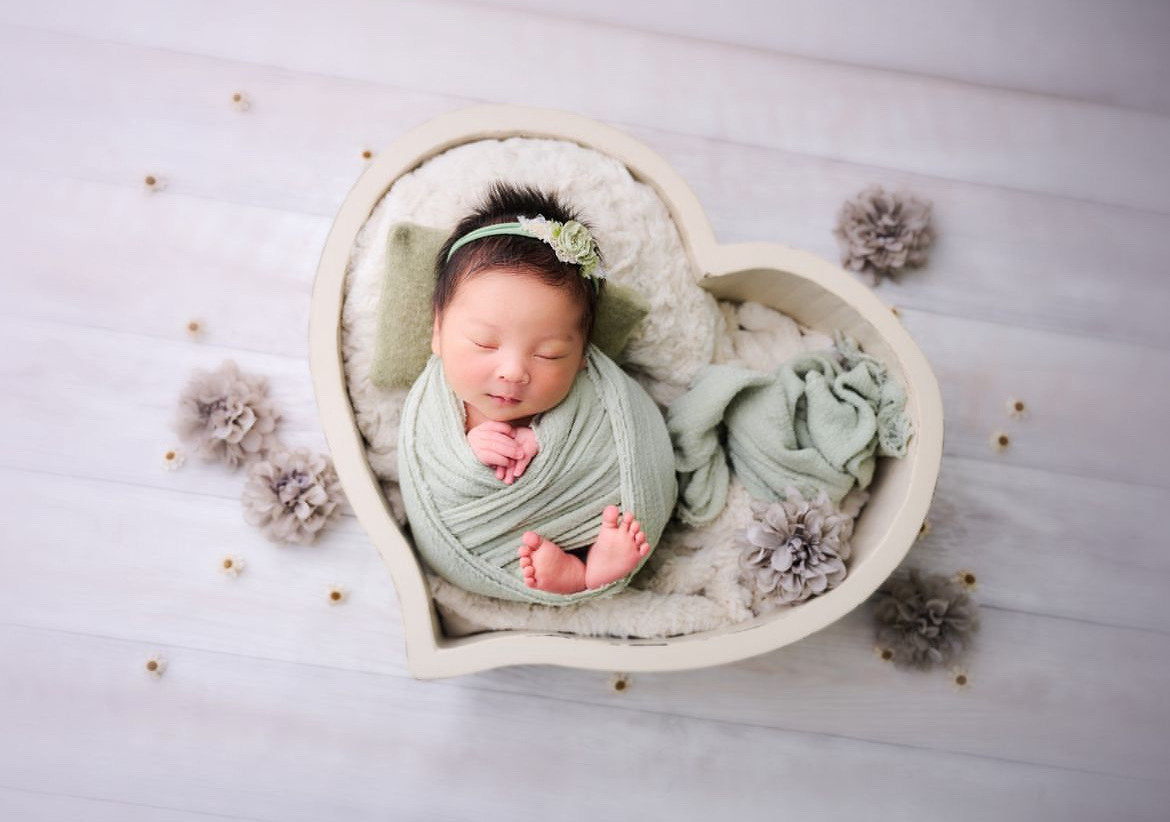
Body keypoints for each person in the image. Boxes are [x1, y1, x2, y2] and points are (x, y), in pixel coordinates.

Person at [425, 182, 650, 595]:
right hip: (483, 537)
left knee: (621, 522)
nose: (513, 372)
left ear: (583, 353)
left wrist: (547, 438)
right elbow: (429, 466)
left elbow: (618, 430)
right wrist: (467, 454)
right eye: (484, 344)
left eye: (549, 354)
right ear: (438, 330)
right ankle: (568, 574)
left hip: (582, 509)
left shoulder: (587, 387)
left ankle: (590, 566)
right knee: (521, 550)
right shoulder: (434, 406)